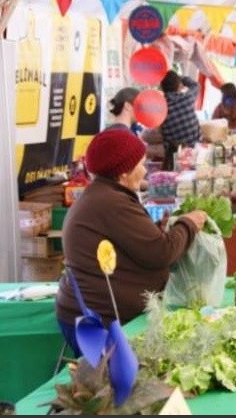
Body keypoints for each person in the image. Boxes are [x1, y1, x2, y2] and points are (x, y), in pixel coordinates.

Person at [55, 128, 208, 357]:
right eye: (142, 164)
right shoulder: (111, 202)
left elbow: (136, 246)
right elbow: (161, 252)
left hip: (92, 315)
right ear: (123, 172)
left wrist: (162, 229)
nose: (145, 170)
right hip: (100, 323)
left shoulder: (103, 196)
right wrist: (188, 223)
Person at [159, 70, 201, 170]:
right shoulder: (187, 97)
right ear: (179, 85)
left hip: (173, 156)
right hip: (194, 149)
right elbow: (195, 85)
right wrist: (181, 78)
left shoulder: (160, 107)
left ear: (162, 88)